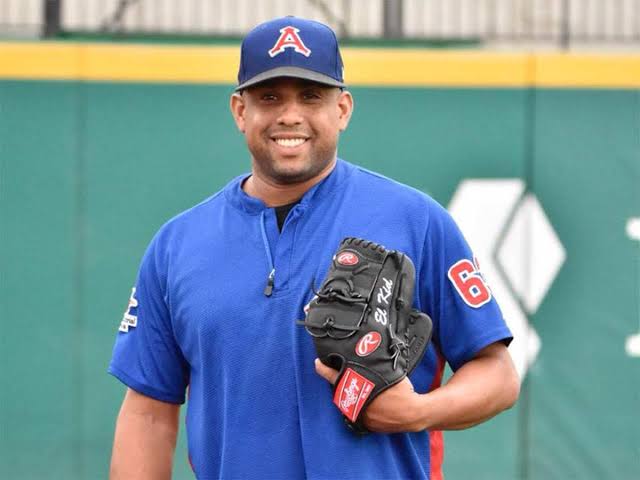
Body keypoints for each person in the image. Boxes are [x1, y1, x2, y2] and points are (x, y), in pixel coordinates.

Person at [108, 16, 520, 480]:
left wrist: (416, 411)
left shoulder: (415, 221)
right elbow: (147, 413)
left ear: (342, 109)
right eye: (269, 97)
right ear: (240, 111)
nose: (290, 115)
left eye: (310, 96)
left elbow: (498, 375)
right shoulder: (177, 245)